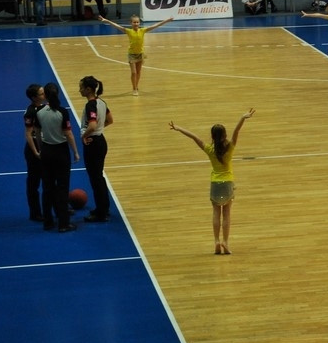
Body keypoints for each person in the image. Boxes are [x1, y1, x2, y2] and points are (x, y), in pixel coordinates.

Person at [169, 109, 256, 255]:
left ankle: (216, 241)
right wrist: (242, 118)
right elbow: (236, 131)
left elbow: (194, 137)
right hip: (228, 183)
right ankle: (226, 243)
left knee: (216, 212)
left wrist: (179, 128)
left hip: (215, 184)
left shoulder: (209, 149)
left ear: (212, 136)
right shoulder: (230, 147)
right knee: (227, 213)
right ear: (224, 135)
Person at [36, 83, 79, 232]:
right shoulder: (62, 112)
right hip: (61, 152)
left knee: (47, 188)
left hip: (47, 151)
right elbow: (68, 134)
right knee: (62, 188)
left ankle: (47, 222)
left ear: (45, 96)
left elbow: (37, 132)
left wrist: (42, 150)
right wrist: (75, 151)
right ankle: (63, 223)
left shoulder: (40, 112)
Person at [97, 14, 174, 96]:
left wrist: (167, 20)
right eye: (134, 22)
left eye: (137, 22)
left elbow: (155, 25)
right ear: (131, 23)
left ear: (139, 23)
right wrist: (106, 20)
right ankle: (134, 88)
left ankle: (136, 86)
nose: (136, 24)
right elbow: (117, 26)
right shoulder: (129, 31)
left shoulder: (143, 30)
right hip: (132, 54)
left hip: (140, 54)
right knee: (134, 72)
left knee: (138, 72)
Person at [79, 75, 114, 223]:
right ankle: (104, 208)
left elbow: (92, 125)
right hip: (101, 141)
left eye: (81, 87)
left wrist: (85, 135)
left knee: (95, 179)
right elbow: (110, 120)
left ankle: (101, 213)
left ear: (88, 89)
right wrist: (98, 130)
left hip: (93, 144)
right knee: (98, 177)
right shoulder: (102, 102)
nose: (79, 90)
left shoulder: (91, 105)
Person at [24, 83, 46, 222]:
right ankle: (35, 213)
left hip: (45, 147)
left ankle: (58, 207)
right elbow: (28, 134)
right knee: (34, 183)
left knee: (51, 180)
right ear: (33, 98)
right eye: (41, 94)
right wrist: (36, 152)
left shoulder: (45, 108)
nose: (44, 95)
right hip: (34, 151)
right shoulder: (30, 112)